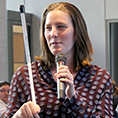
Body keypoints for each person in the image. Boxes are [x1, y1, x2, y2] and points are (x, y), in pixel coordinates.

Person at [5, 2, 113, 118]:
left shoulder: (99, 78)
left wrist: (73, 98)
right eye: (48, 28)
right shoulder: (25, 75)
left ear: (77, 32)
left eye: (61, 27)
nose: (53, 34)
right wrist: (18, 116)